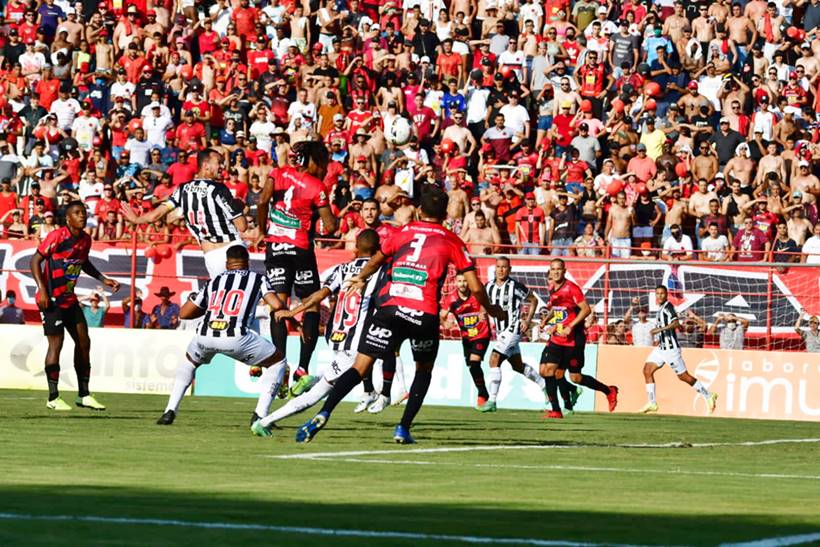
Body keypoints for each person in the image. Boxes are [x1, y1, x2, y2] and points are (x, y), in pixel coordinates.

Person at [295, 187, 505, 444]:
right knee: (423, 370)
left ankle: (324, 412)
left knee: (360, 367)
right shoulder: (452, 239)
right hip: (423, 314)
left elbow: (375, 261)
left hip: (390, 310)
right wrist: (492, 309)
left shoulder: (404, 231)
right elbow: (474, 286)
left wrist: (360, 278)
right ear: (446, 213)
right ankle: (403, 428)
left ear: (419, 210)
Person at [251, 230, 382, 435]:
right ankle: (267, 420)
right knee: (319, 392)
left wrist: (292, 311)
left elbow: (318, 295)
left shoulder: (343, 269)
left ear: (356, 246)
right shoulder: (380, 271)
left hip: (339, 337)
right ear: (378, 248)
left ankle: (268, 419)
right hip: (357, 343)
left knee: (325, 386)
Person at [156, 246, 289, 426]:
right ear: (247, 262)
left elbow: (184, 314)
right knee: (278, 361)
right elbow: (276, 304)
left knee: (189, 362)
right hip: (236, 337)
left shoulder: (215, 281)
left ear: (227, 263)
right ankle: (260, 415)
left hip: (205, 335)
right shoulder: (258, 278)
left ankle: (169, 410)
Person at [257, 140, 337, 397]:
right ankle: (302, 368)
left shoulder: (277, 174)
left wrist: (262, 230)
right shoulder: (317, 186)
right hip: (301, 250)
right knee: (311, 305)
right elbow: (331, 227)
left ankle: (280, 367)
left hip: (275, 248)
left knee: (278, 306)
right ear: (311, 160)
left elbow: (262, 201)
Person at [30, 200, 120, 411]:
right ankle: (53, 397)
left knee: (83, 341)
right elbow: (35, 261)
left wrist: (102, 278)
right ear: (68, 218)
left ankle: (84, 394)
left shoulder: (85, 240)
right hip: (51, 298)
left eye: (84, 212)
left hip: (69, 298)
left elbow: (83, 262)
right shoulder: (57, 236)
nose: (82, 215)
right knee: (57, 344)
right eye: (77, 213)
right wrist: (43, 290)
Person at [120, 148, 247, 277]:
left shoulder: (182, 189)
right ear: (205, 166)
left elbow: (155, 215)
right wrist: (238, 206)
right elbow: (242, 226)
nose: (222, 167)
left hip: (211, 256)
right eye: (218, 162)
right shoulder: (219, 189)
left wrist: (136, 219)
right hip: (233, 250)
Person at [540, 258, 618, 419]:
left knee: (575, 377)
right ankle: (557, 409)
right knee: (551, 372)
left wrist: (570, 326)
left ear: (564, 271)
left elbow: (586, 310)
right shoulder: (552, 287)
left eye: (558, 269)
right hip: (559, 337)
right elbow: (558, 309)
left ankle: (608, 390)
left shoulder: (572, 288)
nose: (555, 272)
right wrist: (546, 320)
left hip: (574, 339)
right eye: (553, 269)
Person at [480, 256, 551, 413]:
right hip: (500, 331)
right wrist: (482, 313)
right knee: (518, 366)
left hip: (513, 329)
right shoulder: (489, 286)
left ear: (509, 269)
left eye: (504, 267)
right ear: (495, 268)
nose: (501, 270)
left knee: (494, 359)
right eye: (498, 267)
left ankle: (491, 401)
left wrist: (527, 320)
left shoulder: (515, 286)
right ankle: (545, 386)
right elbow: (484, 303)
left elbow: (533, 300)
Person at [638, 285, 718, 415]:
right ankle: (652, 403)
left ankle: (709, 395)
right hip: (661, 349)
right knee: (647, 370)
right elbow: (677, 325)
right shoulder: (660, 309)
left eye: (662, 293)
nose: (659, 296)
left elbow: (675, 323)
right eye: (657, 294)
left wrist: (659, 330)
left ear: (666, 294)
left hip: (671, 350)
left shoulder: (668, 307)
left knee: (683, 377)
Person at [441, 273, 492, 408]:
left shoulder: (476, 294)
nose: (462, 284)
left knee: (474, 362)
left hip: (482, 334)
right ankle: (483, 392)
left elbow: (486, 301)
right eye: (459, 281)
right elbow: (442, 314)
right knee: (471, 366)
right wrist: (445, 323)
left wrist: (483, 310)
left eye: (465, 281)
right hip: (466, 338)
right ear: (455, 283)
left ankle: (482, 394)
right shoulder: (451, 298)